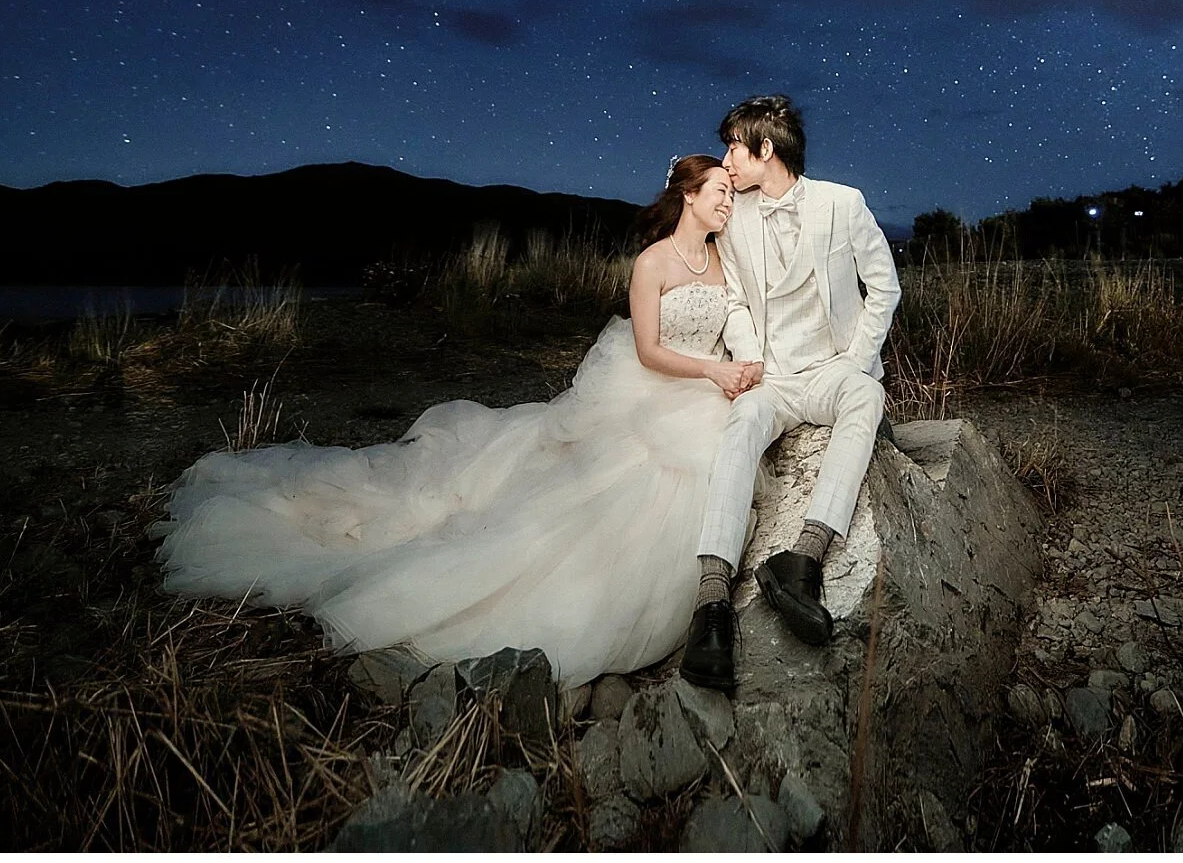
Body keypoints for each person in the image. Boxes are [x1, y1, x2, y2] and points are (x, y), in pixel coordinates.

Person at [150, 156, 760, 690]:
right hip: (656, 385)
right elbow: (650, 350)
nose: (728, 202)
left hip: (701, 390)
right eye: (719, 193)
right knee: (611, 483)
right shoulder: (652, 263)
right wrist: (712, 372)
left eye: (731, 194)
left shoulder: (721, 263)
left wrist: (734, 369)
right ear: (689, 195)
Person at [680, 95, 901, 693]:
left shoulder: (842, 203)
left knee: (866, 400)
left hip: (831, 369)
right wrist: (750, 357)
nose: (728, 158)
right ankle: (712, 601)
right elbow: (729, 299)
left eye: (734, 146)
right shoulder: (735, 218)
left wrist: (856, 363)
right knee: (741, 426)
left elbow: (885, 285)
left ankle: (803, 559)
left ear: (766, 149)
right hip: (771, 376)